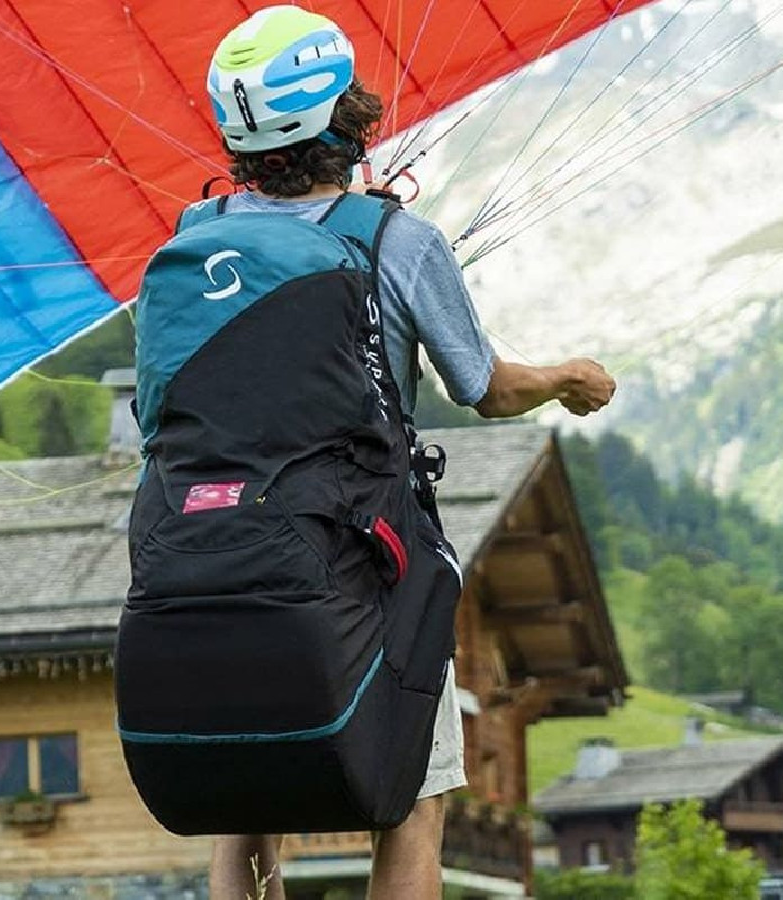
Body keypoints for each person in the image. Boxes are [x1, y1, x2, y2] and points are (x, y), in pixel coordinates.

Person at [200, 7, 616, 898]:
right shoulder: (400, 239)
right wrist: (565, 378)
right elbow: (487, 389)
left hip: (210, 555)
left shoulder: (193, 237)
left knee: (244, 799)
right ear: (345, 115)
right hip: (360, 566)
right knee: (410, 803)